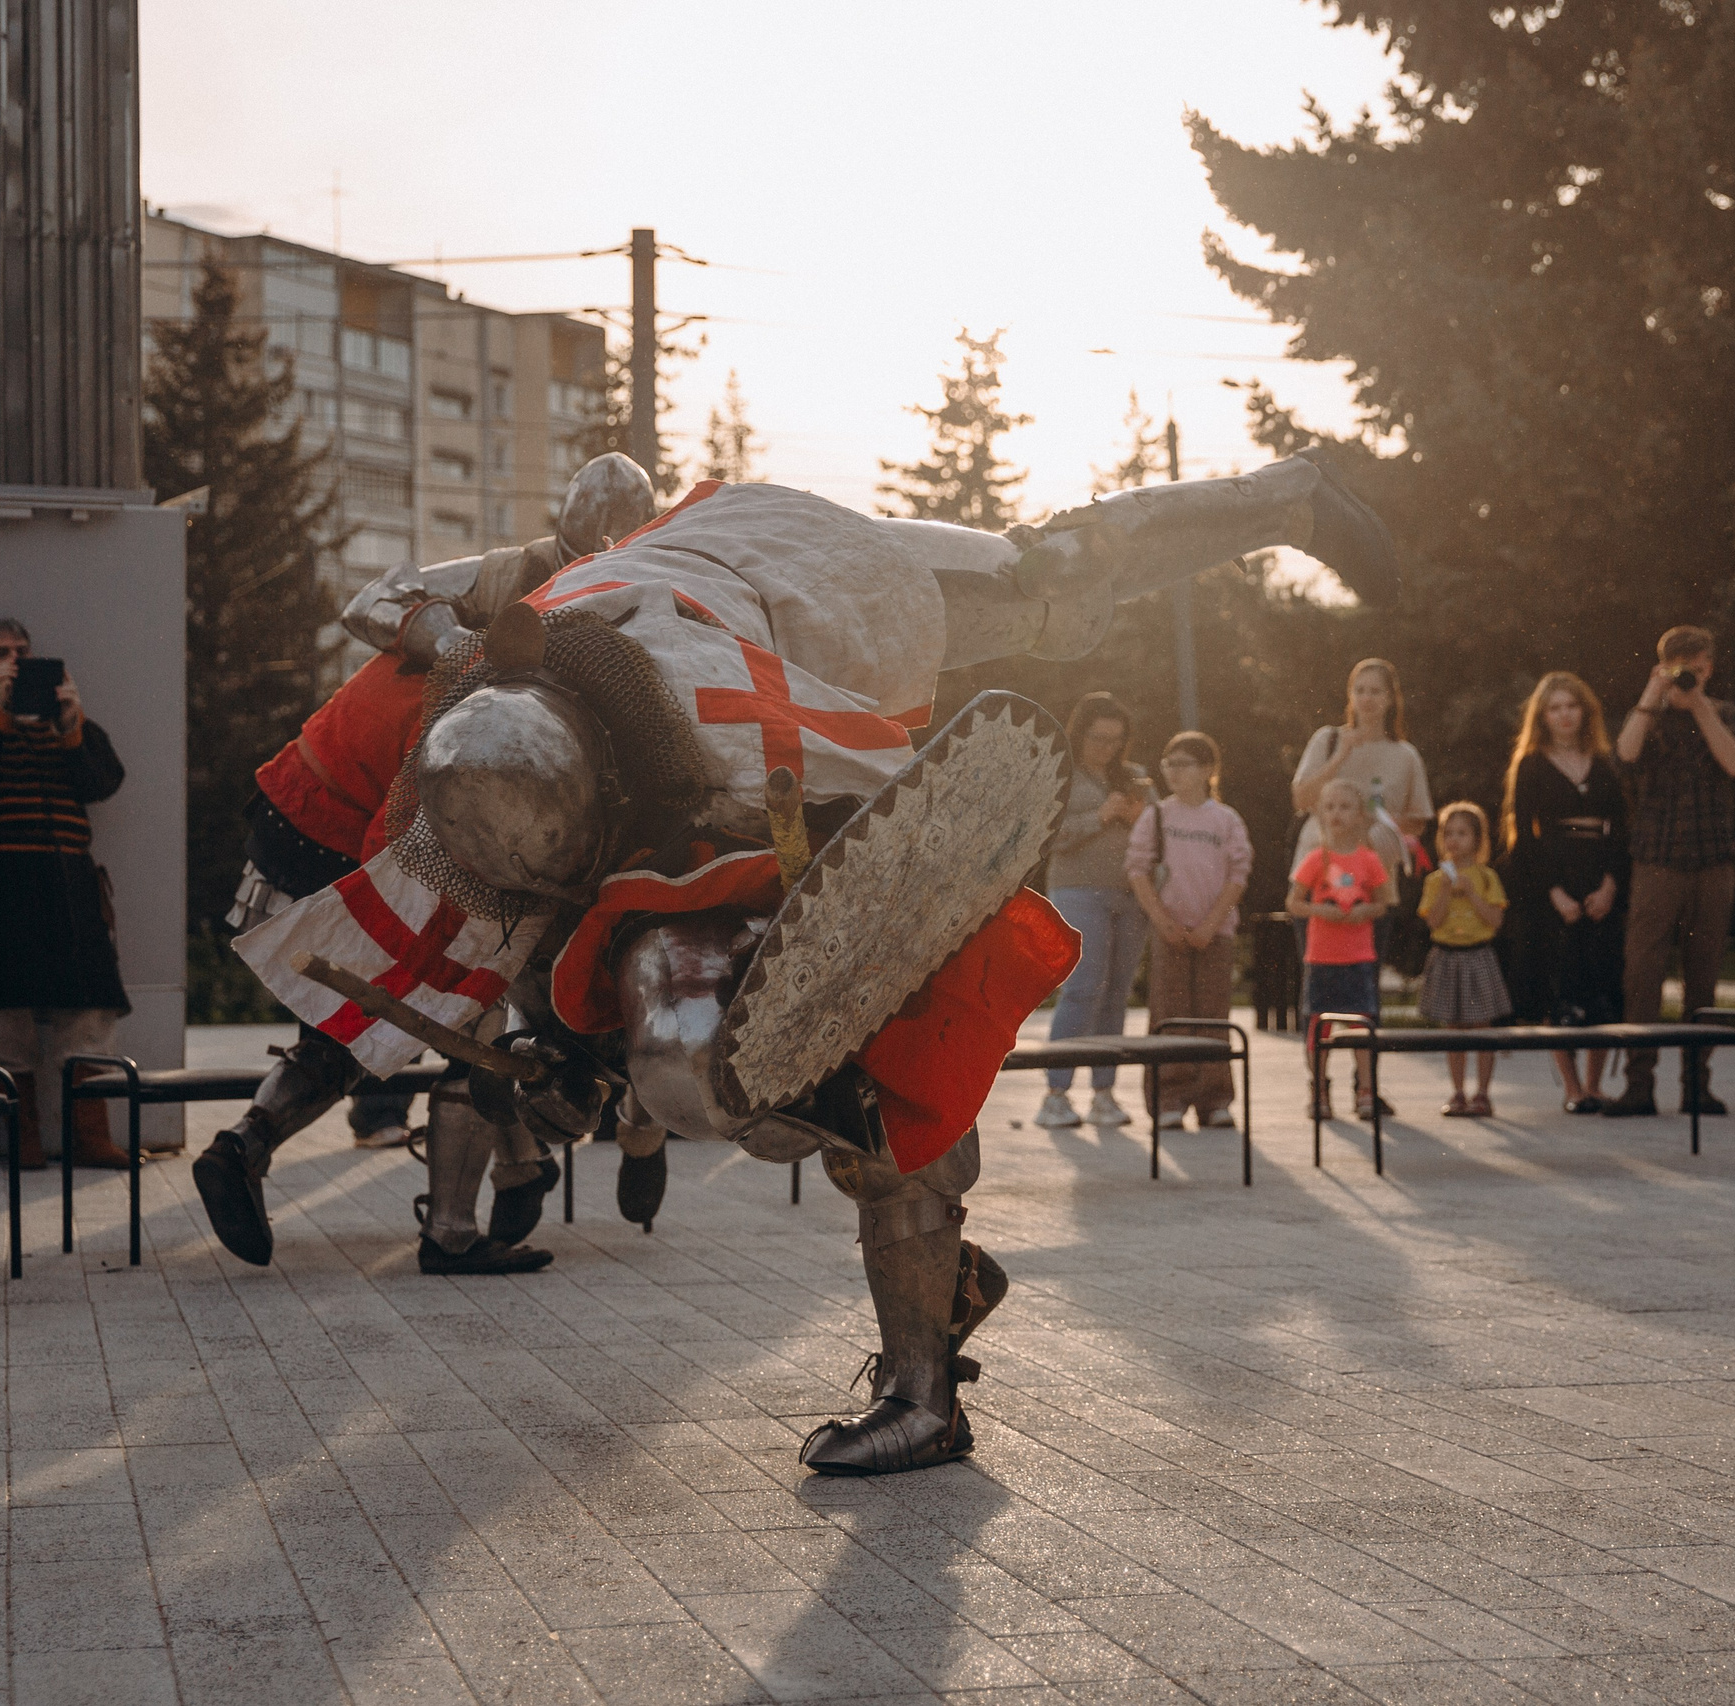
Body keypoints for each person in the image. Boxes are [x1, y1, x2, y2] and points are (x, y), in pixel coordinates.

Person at [224, 453, 1400, 1475]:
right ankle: (936, 1309)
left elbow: (894, 883)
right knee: (717, 1047)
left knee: (1049, 593)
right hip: (689, 642)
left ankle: (1281, 497)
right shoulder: (492, 693)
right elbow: (402, 638)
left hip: (814, 570)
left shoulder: (736, 739)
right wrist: (557, 1055)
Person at [205, 454, 662, 1273]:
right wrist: (454, 642)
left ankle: (259, 1147)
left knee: (395, 1015)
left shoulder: (588, 621)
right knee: (454, 1012)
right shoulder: (505, 594)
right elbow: (369, 602)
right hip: (351, 808)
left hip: (344, 796)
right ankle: (452, 1226)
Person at [0, 619, 132, 1171]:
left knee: (89, 1015)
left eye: (23, 653)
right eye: (0, 653)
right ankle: (23, 1140)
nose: (14, 661)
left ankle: (89, 1136)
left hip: (69, 884)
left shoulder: (68, 727)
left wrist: (71, 723)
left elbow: (105, 782)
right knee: (7, 1021)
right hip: (1, 889)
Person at [1606, 625, 1735, 1119]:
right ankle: (1638, 1084)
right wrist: (1652, 694)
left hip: (1712, 860)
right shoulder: (1647, 715)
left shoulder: (1723, 713)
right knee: (1642, 974)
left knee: (1702, 975)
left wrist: (1700, 704)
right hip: (1657, 860)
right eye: (1681, 665)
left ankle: (1696, 1084)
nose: (1690, 674)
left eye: (1699, 666)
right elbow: (1623, 754)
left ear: (1710, 667)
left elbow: (1734, 764)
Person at [1499, 671, 1630, 1112]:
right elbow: (1525, 838)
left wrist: (1611, 885)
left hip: (1600, 879)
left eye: (1571, 705)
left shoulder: (1605, 763)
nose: (1564, 715)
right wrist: (1554, 893)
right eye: (1554, 707)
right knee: (1560, 987)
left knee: (1602, 984)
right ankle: (1572, 1088)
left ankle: (1595, 1085)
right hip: (1552, 884)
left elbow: (1621, 830)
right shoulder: (1531, 765)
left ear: (1584, 710)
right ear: (1543, 716)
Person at [1035, 692, 1153, 1132]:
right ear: (1079, 733)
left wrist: (1141, 816)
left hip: (1130, 894)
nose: (1107, 747)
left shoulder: (1136, 777)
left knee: (1117, 991)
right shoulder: (1059, 773)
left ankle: (1104, 1093)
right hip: (1077, 890)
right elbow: (1049, 836)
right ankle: (1055, 1094)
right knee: (1084, 987)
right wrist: (1101, 816)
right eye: (1098, 738)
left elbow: (1160, 829)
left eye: (1116, 740)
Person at [1126, 731, 1250, 1128]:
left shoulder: (1226, 819)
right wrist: (1164, 922)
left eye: (1183, 764)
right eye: (1169, 764)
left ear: (1208, 770)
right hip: (1169, 934)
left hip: (1216, 933)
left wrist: (1211, 924)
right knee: (1170, 1014)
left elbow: (1238, 873)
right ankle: (1169, 1099)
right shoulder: (1157, 814)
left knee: (1213, 1015)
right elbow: (1138, 869)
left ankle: (1215, 1100)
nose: (1173, 772)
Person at [1291, 658, 1431, 974]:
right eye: (1360, 690)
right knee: (1317, 978)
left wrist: (1380, 832)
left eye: (1376, 691)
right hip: (1319, 874)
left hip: (1372, 884)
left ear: (1391, 698)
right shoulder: (1326, 740)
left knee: (1364, 979)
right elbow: (1301, 798)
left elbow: (1418, 819)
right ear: (1350, 696)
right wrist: (1340, 756)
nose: (1367, 698)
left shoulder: (1405, 755)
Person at [1289, 778, 1398, 1121]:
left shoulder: (1369, 860)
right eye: (1330, 807)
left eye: (1345, 806)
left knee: (1361, 1025)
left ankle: (1366, 1089)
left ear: (1360, 816)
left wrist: (1365, 911)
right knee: (1317, 1026)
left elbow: (1384, 902)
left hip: (1358, 957)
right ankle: (1318, 1089)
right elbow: (1293, 902)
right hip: (1321, 958)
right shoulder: (1315, 859)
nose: (1337, 813)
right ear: (1320, 814)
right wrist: (1322, 911)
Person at [1418, 802, 1512, 1115]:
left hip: (1477, 956)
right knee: (1453, 1027)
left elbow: (1495, 921)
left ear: (1477, 838)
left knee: (1482, 1026)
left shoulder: (1486, 877)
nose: (1454, 839)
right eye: (1448, 833)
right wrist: (1445, 891)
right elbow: (1433, 922)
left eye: (1462, 832)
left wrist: (1472, 894)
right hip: (1447, 957)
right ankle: (1457, 1091)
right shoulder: (1435, 880)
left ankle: (1482, 1093)